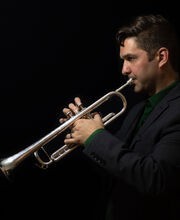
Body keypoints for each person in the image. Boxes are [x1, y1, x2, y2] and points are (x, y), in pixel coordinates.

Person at [60, 14, 180, 220]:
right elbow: (116, 174)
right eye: (123, 60)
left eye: (131, 59)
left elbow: (155, 179)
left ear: (161, 57)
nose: (124, 70)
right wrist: (86, 136)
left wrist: (96, 136)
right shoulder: (137, 110)